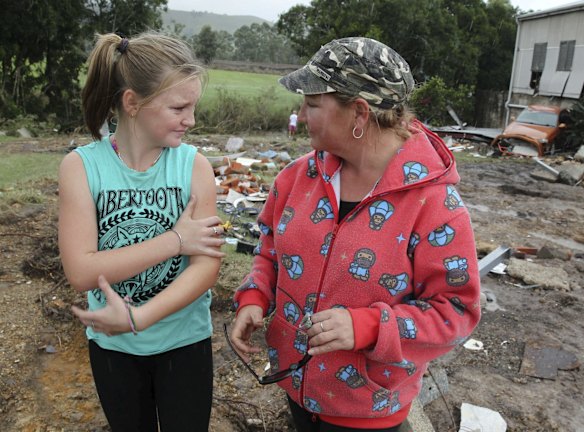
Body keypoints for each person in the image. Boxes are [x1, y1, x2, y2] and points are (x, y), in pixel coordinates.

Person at [229, 37, 481, 432]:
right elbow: (270, 252)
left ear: (359, 113)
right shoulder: (297, 178)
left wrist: (368, 327)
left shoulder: (435, 206)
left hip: (369, 413)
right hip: (296, 390)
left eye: (312, 104)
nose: (301, 113)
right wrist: (254, 296)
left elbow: (456, 313)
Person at [58, 31, 225, 431]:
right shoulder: (81, 167)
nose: (192, 120)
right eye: (179, 107)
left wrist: (138, 318)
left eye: (193, 106)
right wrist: (176, 240)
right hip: (113, 347)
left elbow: (206, 268)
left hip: (185, 343)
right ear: (132, 103)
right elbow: (81, 271)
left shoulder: (194, 167)